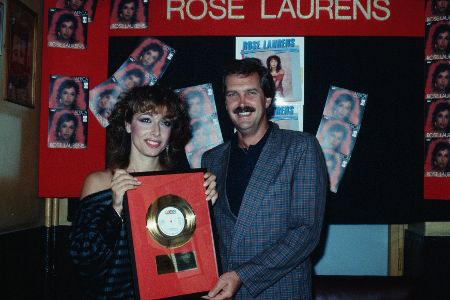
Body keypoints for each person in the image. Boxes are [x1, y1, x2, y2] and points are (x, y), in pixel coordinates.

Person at [68, 85, 218, 299]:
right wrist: (115, 208)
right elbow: (84, 261)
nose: (156, 131)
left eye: (165, 122)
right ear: (128, 124)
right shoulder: (99, 183)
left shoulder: (181, 187)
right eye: (146, 119)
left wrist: (206, 208)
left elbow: (191, 260)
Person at [201, 58, 327, 299]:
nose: (241, 103)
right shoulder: (212, 159)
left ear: (267, 99)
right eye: (232, 95)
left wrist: (242, 276)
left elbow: (305, 232)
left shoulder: (301, 147)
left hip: (280, 291)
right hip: (225, 292)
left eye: (251, 92)